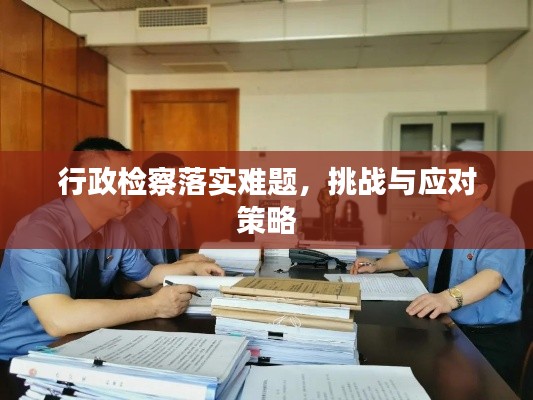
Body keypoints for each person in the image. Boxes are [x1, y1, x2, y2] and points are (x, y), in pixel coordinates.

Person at [0, 138, 223, 396]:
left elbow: (147, 275)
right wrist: (154, 305)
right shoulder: (39, 231)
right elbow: (58, 319)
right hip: (19, 360)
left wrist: (192, 267)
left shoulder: (114, 229)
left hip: (81, 343)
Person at [350, 151, 525, 391]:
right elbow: (408, 256)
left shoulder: (501, 230)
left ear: (479, 190)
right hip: (444, 326)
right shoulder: (437, 227)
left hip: (487, 339)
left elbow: (492, 277)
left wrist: (446, 298)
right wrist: (377, 264)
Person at [119, 153, 216, 295]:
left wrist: (188, 260)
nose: (183, 188)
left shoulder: (170, 220)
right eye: (177, 182)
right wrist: (187, 265)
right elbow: (127, 286)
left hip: (170, 289)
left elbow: (168, 260)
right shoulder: (135, 226)